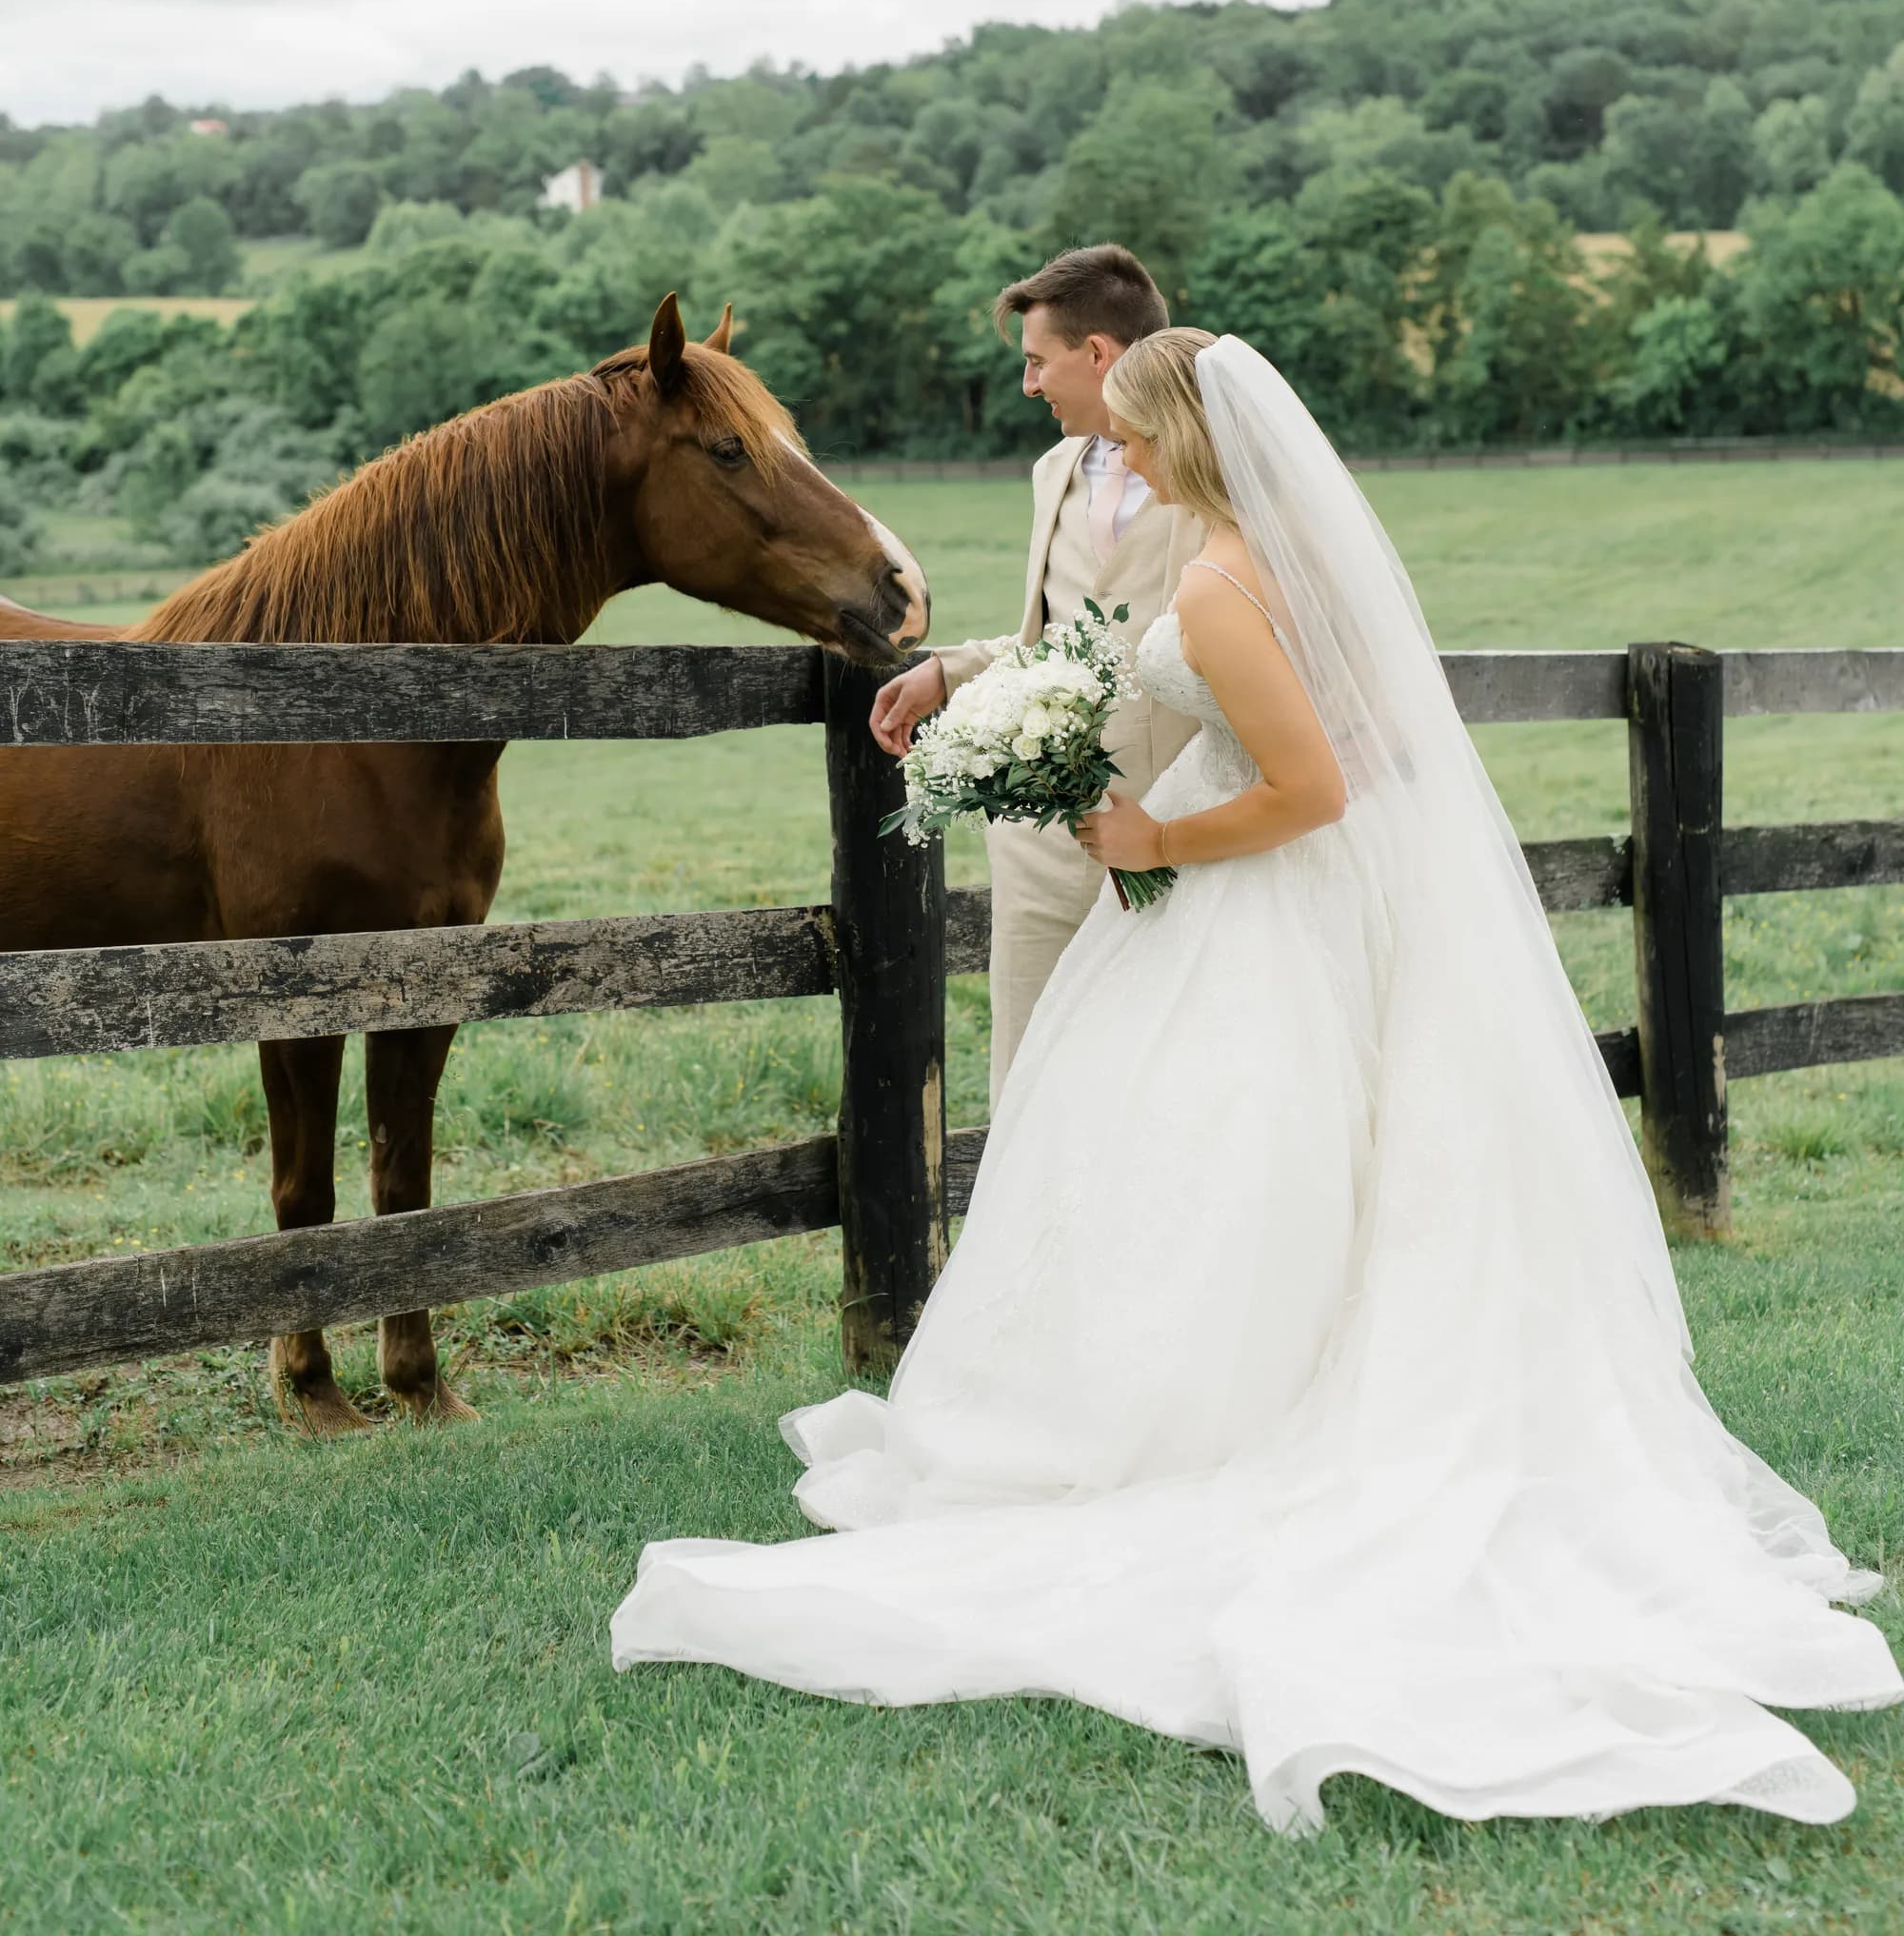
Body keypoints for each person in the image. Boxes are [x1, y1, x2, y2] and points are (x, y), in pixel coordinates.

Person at [610, 330, 1901, 1832]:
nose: (1128, 457)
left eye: (1144, 437)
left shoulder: (1221, 587)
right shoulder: (1267, 559)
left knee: (1219, 1160)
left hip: (1252, 889)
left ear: (1196, 440)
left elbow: (1315, 788)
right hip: (1301, 898)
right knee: (1253, 1165)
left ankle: (1208, 1432)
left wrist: (1154, 840)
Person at [869, 245, 1205, 1105]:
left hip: (1178, 823)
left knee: (1171, 1074)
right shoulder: (1051, 470)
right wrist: (949, 670)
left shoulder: (1215, 472)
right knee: (1035, 1078)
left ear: (1095, 353)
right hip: (1041, 840)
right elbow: (1055, 633)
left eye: (1035, 361)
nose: (1027, 385)